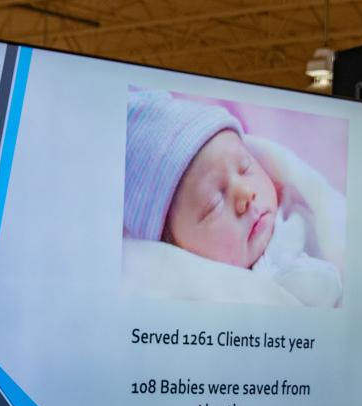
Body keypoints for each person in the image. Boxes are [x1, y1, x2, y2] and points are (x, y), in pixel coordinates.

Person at [124, 89, 344, 307]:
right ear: (175, 248)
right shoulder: (196, 292)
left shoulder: (301, 218)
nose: (245, 193)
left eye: (245, 168)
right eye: (214, 204)